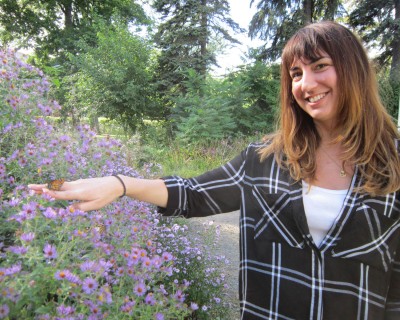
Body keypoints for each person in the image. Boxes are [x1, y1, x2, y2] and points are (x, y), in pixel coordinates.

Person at [29, 21, 400, 319]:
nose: (306, 84)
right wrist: (120, 183)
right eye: (296, 74)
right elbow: (191, 194)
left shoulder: (394, 165)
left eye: (320, 67)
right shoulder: (266, 160)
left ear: (352, 71)